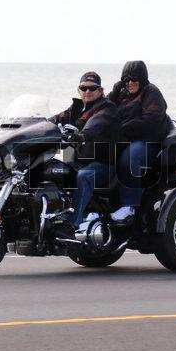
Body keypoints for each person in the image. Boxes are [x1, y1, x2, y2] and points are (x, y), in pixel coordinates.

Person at [50, 71, 119, 238]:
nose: (88, 91)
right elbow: (55, 120)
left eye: (92, 88)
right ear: (78, 90)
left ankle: (71, 225)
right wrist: (35, 127)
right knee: (49, 168)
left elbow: (95, 124)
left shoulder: (107, 107)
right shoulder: (75, 108)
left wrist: (81, 135)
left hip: (103, 163)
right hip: (79, 159)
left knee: (84, 176)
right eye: (84, 88)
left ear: (100, 90)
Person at [107, 61, 171, 222]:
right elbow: (103, 108)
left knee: (130, 157)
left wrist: (124, 128)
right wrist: (114, 92)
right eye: (126, 80)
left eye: (134, 79)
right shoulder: (122, 94)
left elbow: (152, 119)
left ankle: (130, 206)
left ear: (142, 79)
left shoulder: (151, 92)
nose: (130, 83)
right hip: (127, 139)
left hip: (149, 141)